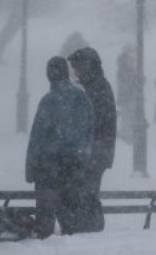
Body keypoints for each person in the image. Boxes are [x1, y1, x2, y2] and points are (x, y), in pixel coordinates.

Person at [26, 57, 94, 238]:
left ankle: (46, 241)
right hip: (74, 163)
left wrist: (30, 167)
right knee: (70, 211)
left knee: (46, 215)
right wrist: (82, 159)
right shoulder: (83, 99)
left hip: (48, 165)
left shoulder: (49, 100)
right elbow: (89, 133)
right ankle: (70, 239)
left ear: (49, 75)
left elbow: (37, 138)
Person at [67, 47, 117, 233]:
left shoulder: (97, 88)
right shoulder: (95, 86)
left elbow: (93, 122)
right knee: (87, 190)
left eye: (77, 67)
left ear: (87, 66)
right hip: (96, 151)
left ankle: (90, 227)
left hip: (95, 152)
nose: (75, 72)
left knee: (87, 190)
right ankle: (87, 225)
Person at [116, 44, 139, 143]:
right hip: (128, 95)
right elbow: (128, 82)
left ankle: (126, 134)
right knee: (129, 115)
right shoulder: (126, 66)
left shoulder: (122, 66)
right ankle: (127, 136)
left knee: (127, 115)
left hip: (126, 95)